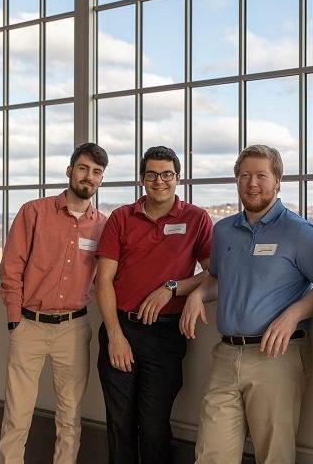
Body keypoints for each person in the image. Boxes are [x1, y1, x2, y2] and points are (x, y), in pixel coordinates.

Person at [181, 144, 313, 464]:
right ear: (236, 181)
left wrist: (293, 315)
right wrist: (197, 294)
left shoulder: (300, 232)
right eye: (245, 176)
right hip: (225, 354)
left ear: (278, 181)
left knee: (273, 454)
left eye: (262, 176)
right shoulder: (223, 230)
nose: (253, 183)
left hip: (276, 357)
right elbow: (217, 279)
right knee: (211, 452)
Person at [95, 146, 213, 464]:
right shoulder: (121, 217)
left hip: (166, 335)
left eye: (166, 174)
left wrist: (172, 289)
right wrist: (115, 336)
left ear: (178, 178)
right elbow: (103, 280)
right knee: (120, 423)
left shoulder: (196, 218)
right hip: (121, 329)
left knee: (153, 423)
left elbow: (214, 275)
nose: (159, 181)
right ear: (142, 179)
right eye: (151, 174)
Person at [0, 142, 109, 464]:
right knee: (17, 414)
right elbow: (11, 266)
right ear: (70, 170)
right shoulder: (34, 211)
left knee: (70, 417)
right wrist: (14, 318)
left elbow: (108, 277)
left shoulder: (103, 225)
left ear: (101, 180)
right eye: (84, 168)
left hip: (74, 329)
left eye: (97, 172)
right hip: (29, 325)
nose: (89, 176)